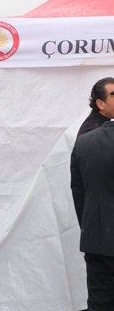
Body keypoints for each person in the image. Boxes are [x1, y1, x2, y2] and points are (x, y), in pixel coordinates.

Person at [71, 118, 114, 310]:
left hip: (96, 238)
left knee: (99, 302)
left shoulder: (84, 142)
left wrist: (90, 226)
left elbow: (78, 193)